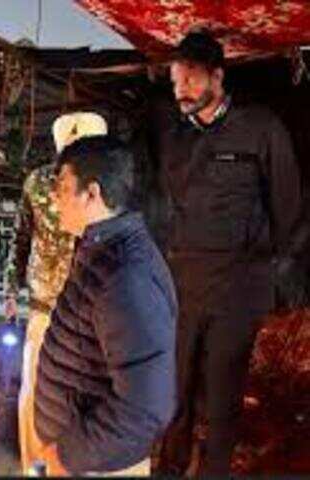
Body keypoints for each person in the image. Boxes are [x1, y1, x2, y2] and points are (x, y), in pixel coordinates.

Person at [154, 31, 303, 475]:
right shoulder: (173, 136)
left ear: (217, 77)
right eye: (176, 80)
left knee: (222, 396)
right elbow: (166, 208)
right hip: (184, 286)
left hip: (238, 288)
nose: (181, 89)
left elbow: (288, 207)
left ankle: (214, 471)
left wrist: (276, 274)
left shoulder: (261, 128)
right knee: (175, 388)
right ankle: (170, 467)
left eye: (191, 78)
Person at [35, 136, 177, 477]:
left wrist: (70, 454)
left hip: (95, 463)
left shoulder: (127, 275)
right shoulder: (99, 248)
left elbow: (146, 407)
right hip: (80, 453)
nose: (54, 198)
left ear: (92, 193)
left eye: (63, 187)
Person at [3, 111, 107, 475]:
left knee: (87, 393)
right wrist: (11, 287)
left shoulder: (108, 186)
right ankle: (35, 466)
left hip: (92, 310)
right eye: (70, 144)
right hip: (44, 305)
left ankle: (76, 465)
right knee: (36, 390)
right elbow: (21, 235)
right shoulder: (38, 181)